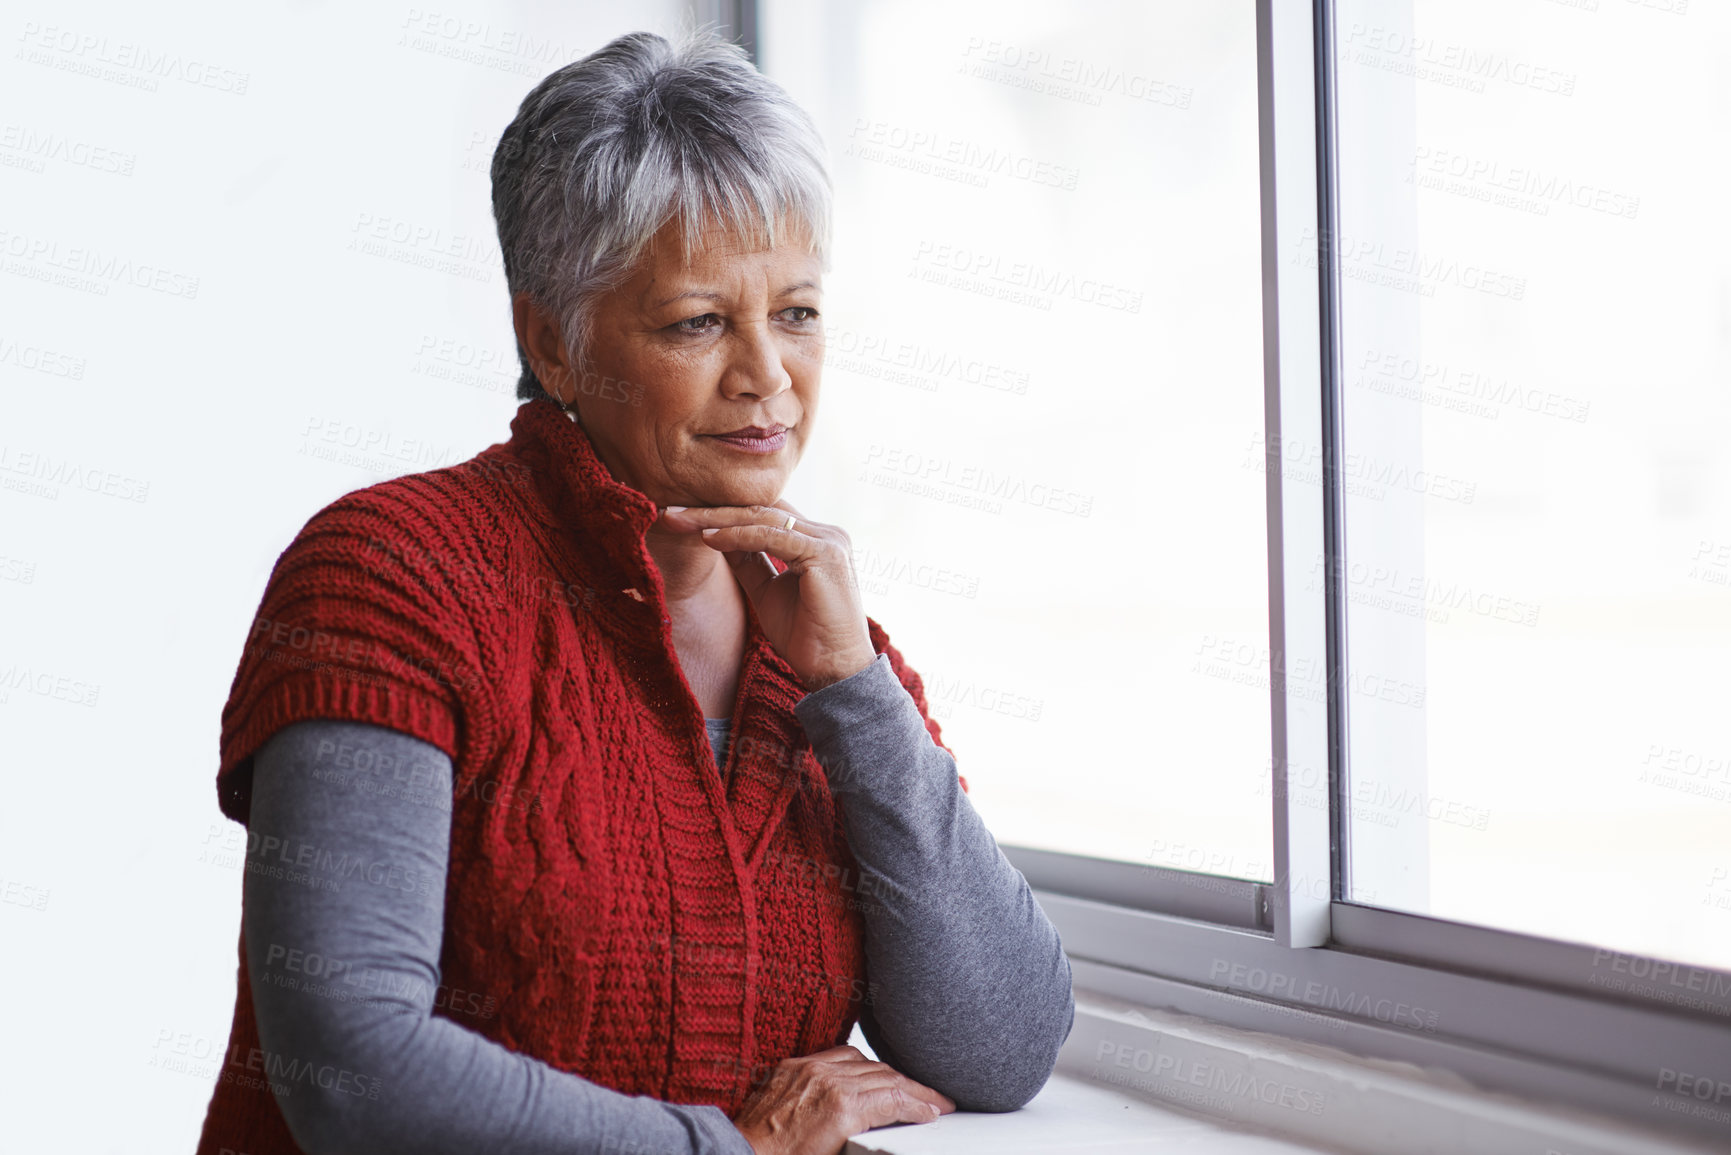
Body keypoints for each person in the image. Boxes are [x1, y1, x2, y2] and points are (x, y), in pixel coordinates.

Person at [194, 28, 1073, 1155]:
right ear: (552, 342)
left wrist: (856, 694)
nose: (767, 376)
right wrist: (729, 1151)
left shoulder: (814, 634)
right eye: (699, 322)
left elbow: (998, 1047)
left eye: (797, 312)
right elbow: (350, 1063)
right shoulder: (388, 576)